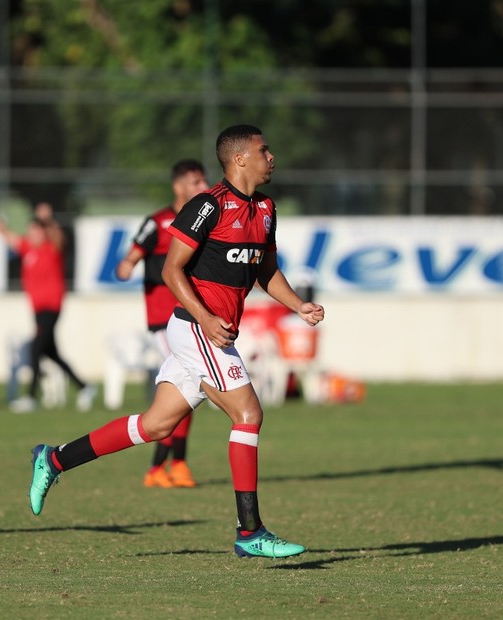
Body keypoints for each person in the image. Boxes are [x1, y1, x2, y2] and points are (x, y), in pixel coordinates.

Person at [27, 125, 325, 559]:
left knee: (155, 426)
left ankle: (54, 459)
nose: (271, 156)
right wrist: (205, 318)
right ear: (240, 158)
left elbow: (265, 271)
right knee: (248, 414)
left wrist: (298, 305)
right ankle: (250, 532)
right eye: (264, 150)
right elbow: (172, 270)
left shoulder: (265, 208)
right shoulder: (207, 206)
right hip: (195, 327)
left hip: (209, 331)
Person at [115, 159, 209, 489]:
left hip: (193, 315)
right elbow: (128, 261)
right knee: (188, 385)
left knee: (191, 387)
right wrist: (128, 266)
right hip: (165, 320)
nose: (203, 187)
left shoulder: (203, 220)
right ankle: (167, 466)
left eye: (204, 181)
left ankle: (167, 466)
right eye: (196, 182)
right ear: (178, 186)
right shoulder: (158, 222)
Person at [0, 197, 96, 413]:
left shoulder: (51, 248)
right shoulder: (27, 248)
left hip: (51, 307)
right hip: (36, 308)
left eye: (36, 231)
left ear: (44, 232)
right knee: (51, 352)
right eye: (31, 231)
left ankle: (30, 397)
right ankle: (85, 387)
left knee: (35, 348)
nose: (32, 235)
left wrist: (48, 220)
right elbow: (5, 234)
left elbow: (58, 237)